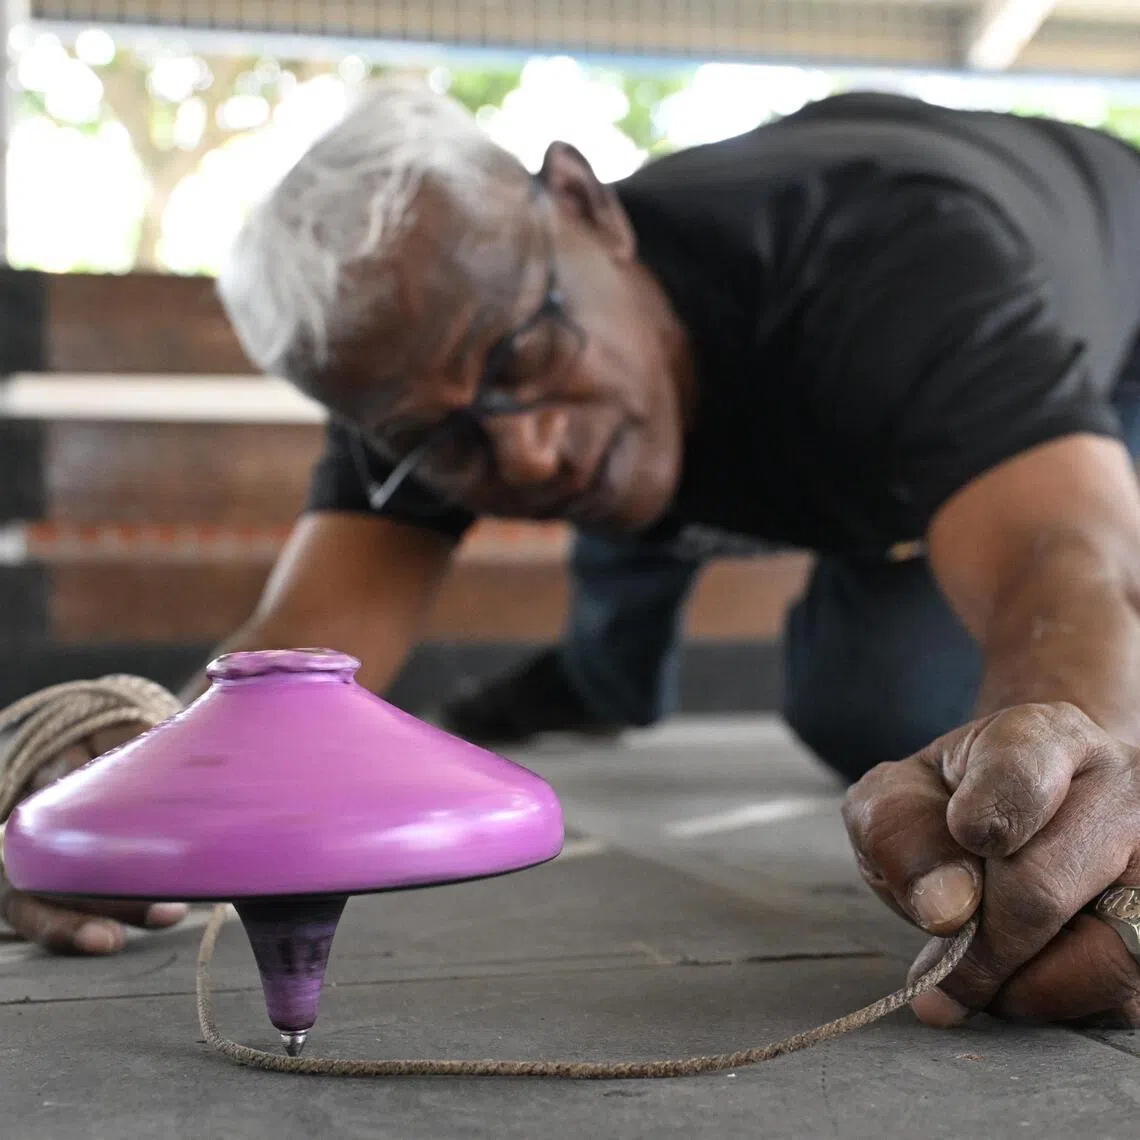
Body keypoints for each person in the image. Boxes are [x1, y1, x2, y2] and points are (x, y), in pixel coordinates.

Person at [5, 79, 1140, 1031]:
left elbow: (1067, 559)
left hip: (1095, 363)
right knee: (869, 717)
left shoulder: (889, 253)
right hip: (841, 453)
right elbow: (287, 666)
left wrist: (1074, 777)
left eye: (527, 351)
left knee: (977, 732)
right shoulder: (416, 376)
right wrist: (101, 790)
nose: (530, 453)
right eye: (438, 437)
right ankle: (600, 672)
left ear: (588, 206)